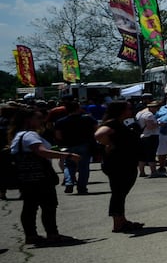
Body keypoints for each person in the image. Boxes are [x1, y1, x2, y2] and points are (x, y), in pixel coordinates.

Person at [10, 108, 78, 246]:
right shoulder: (30, 135)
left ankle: (31, 235)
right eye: (39, 118)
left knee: (30, 206)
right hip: (40, 176)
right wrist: (67, 155)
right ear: (28, 120)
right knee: (48, 206)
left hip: (26, 177)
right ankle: (52, 234)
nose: (42, 120)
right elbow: (41, 151)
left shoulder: (19, 135)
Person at [94, 100, 144, 234]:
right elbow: (99, 135)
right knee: (118, 193)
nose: (131, 110)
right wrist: (108, 144)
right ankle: (117, 223)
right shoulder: (113, 123)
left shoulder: (119, 123)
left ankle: (122, 220)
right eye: (128, 108)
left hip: (124, 163)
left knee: (120, 193)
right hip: (119, 164)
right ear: (121, 110)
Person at [53, 99, 97, 195]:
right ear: (78, 108)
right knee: (84, 167)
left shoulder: (60, 121)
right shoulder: (87, 118)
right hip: (84, 145)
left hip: (68, 145)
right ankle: (82, 188)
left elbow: (58, 135)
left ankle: (69, 182)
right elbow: (96, 129)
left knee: (69, 165)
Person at [136, 97, 160, 178]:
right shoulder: (149, 115)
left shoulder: (139, 113)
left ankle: (141, 172)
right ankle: (153, 171)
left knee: (142, 155)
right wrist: (159, 124)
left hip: (142, 136)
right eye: (156, 107)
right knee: (151, 154)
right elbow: (150, 126)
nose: (157, 109)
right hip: (151, 136)